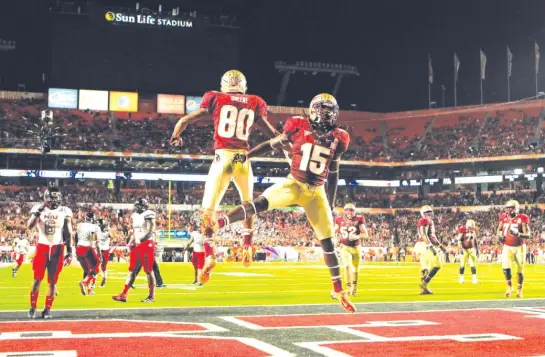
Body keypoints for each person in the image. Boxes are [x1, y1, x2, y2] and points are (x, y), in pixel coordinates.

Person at [202, 93, 355, 313]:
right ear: (313, 109)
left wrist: (329, 204)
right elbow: (272, 144)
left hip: (317, 192)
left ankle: (338, 290)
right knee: (260, 203)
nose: (326, 113)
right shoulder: (299, 126)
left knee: (328, 242)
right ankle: (219, 223)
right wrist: (249, 155)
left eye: (329, 109)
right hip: (294, 184)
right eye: (322, 108)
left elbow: (333, 173)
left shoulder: (340, 137)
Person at [170, 70, 278, 271]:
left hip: (223, 158)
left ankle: (210, 254)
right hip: (243, 160)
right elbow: (272, 134)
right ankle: (247, 246)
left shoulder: (216, 97)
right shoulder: (255, 101)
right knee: (249, 205)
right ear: (243, 85)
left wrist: (176, 135)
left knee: (208, 210)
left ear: (224, 84)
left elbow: (184, 120)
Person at [27, 187, 73, 319]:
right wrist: (38, 213)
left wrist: (69, 251)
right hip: (42, 246)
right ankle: (33, 306)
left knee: (53, 281)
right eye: (52, 197)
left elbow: (68, 232)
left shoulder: (65, 211)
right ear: (47, 198)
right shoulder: (38, 208)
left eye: (56, 197)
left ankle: (47, 309)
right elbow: (29, 226)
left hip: (58, 248)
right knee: (37, 279)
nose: (55, 200)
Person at [113, 199, 157, 303]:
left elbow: (150, 231)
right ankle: (123, 294)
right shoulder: (135, 216)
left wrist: (140, 241)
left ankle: (152, 296)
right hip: (138, 244)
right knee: (132, 269)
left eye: (138, 205)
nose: (137, 207)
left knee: (148, 270)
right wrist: (130, 243)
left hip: (147, 244)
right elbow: (135, 232)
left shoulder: (149, 214)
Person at [497, 200, 531, 298]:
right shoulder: (503, 217)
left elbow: (528, 234)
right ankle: (509, 286)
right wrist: (499, 236)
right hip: (507, 246)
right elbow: (499, 229)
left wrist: (518, 234)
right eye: (507, 207)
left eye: (510, 207)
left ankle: (519, 289)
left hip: (519, 247)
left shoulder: (522, 218)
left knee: (520, 269)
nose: (508, 210)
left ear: (516, 208)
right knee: (505, 267)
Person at [334, 203, 368, 296]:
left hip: (356, 248)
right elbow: (334, 231)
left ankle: (354, 286)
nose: (349, 212)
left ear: (354, 211)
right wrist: (336, 239)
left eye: (351, 210)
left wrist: (357, 236)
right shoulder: (339, 219)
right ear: (344, 211)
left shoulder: (359, 219)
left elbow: (365, 234)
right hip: (345, 247)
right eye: (347, 210)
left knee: (355, 269)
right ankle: (349, 287)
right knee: (347, 266)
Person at [414, 205, 444, 295]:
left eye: (430, 212)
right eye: (427, 212)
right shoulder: (425, 220)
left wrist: (440, 246)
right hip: (424, 244)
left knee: (425, 267)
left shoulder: (429, 221)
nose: (429, 214)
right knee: (438, 264)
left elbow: (432, 236)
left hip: (421, 245)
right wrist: (430, 246)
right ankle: (424, 284)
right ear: (423, 214)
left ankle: (424, 289)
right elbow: (424, 235)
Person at [75, 212, 100, 295]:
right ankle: (84, 282)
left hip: (79, 248)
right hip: (87, 248)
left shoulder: (80, 225)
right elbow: (94, 240)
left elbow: (75, 237)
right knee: (96, 268)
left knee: (86, 271)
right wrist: (99, 253)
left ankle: (89, 290)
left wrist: (76, 249)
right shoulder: (93, 226)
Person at [457, 219, 479, 284]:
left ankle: (474, 279)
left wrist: (477, 249)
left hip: (472, 249)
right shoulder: (463, 230)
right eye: (471, 225)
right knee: (462, 264)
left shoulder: (473, 231)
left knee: (473, 264)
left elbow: (475, 240)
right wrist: (460, 249)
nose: (472, 227)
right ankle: (461, 279)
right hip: (464, 249)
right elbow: (459, 240)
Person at [97, 218, 111, 287]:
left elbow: (112, 236)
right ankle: (92, 281)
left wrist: (109, 229)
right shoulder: (98, 231)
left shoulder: (108, 232)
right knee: (95, 265)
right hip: (99, 249)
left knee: (103, 266)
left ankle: (104, 280)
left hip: (105, 250)